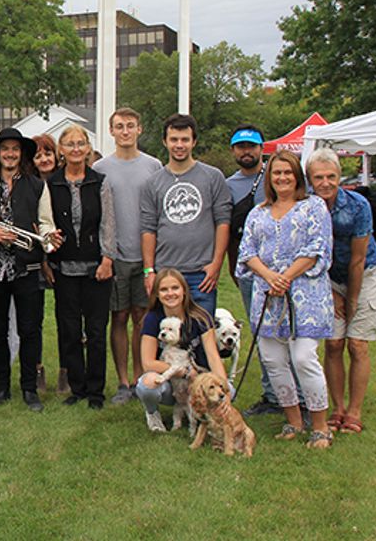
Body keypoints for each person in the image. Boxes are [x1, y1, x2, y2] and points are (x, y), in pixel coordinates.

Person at [237, 150, 334, 448]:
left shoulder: (313, 207)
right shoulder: (258, 213)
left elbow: (316, 248)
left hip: (305, 297)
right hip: (267, 297)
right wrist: (269, 277)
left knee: (304, 357)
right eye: (276, 173)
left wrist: (286, 277)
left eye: (287, 172)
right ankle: (292, 420)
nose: (282, 178)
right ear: (269, 177)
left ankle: (320, 425)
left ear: (297, 176)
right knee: (273, 360)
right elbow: (247, 252)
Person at [0, 128, 60, 412]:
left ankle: (30, 390)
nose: (10, 154)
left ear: (22, 154)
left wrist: (49, 236)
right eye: (5, 149)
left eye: (15, 149)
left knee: (30, 330)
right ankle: (1, 388)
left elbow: (45, 222)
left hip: (27, 267)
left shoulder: (36, 186)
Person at [308, 148, 376, 437]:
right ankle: (337, 407)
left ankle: (354, 411)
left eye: (331, 176)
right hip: (326, 278)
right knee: (334, 344)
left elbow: (358, 259)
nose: (326, 183)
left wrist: (351, 299)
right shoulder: (307, 206)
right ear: (310, 179)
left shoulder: (357, 206)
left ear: (340, 177)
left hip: (364, 272)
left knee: (357, 344)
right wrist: (330, 292)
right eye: (319, 177)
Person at [93, 107, 162, 405]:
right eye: (119, 126)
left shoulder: (154, 166)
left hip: (146, 256)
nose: (125, 131)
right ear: (111, 131)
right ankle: (122, 380)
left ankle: (139, 376)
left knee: (142, 317)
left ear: (139, 129)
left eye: (130, 126)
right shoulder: (100, 169)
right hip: (115, 254)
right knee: (118, 316)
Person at [47, 124, 115, 410]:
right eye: (70, 144)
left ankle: (97, 391)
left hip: (96, 268)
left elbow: (108, 223)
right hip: (63, 268)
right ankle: (78, 387)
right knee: (69, 330)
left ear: (88, 149)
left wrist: (108, 259)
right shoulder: (51, 184)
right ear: (61, 150)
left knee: (97, 331)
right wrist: (46, 261)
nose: (75, 149)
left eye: (81, 144)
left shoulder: (100, 182)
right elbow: (44, 223)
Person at [140, 113, 232, 316]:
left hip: (201, 273)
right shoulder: (153, 183)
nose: (179, 145)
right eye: (174, 139)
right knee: (168, 339)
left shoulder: (213, 177)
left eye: (185, 140)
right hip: (166, 273)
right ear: (165, 141)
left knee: (202, 335)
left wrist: (216, 264)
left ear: (194, 141)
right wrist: (149, 271)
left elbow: (223, 222)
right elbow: (148, 228)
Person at [224, 124, 280, 417]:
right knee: (262, 333)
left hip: (284, 271)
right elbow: (229, 231)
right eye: (241, 147)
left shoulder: (278, 176)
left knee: (292, 335)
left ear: (262, 148)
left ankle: (299, 396)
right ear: (233, 150)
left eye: (252, 146)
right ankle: (272, 395)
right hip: (249, 272)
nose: (247, 152)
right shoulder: (229, 185)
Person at [135, 268, 229, 432]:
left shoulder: (201, 317)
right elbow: (147, 363)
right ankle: (152, 413)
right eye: (164, 289)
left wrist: (224, 389)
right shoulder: (152, 319)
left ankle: (205, 413)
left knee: (229, 392)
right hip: (169, 382)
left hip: (198, 379)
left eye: (175, 288)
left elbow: (214, 357)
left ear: (184, 291)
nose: (170, 293)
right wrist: (183, 372)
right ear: (157, 294)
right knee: (146, 385)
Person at [32, 133, 61, 394]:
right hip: (38, 259)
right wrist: (43, 262)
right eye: (38, 154)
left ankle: (67, 370)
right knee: (35, 318)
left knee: (68, 317)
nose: (44, 159)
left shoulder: (64, 182)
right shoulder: (29, 186)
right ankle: (37, 369)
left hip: (66, 259)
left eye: (47, 153)